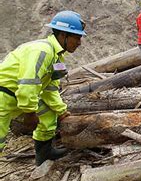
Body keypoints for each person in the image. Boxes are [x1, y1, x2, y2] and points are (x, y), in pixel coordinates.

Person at [0, 11, 86, 165]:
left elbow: (50, 88)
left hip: (20, 96)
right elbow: (28, 84)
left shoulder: (57, 56)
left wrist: (61, 110)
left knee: (48, 116)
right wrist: (29, 113)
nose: (79, 42)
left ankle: (44, 154)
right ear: (63, 35)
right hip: (4, 95)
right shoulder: (42, 51)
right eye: (77, 37)